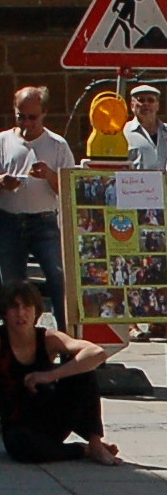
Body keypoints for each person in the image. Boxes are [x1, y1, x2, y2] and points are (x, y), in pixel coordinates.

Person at [1, 281, 121, 465]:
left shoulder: (48, 338)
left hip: (51, 416)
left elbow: (96, 352)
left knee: (81, 368)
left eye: (27, 306)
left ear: (36, 311)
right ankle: (83, 450)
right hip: (18, 424)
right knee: (23, 448)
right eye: (14, 307)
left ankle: (95, 443)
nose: (21, 313)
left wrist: (50, 375)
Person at [0, 86, 74, 326]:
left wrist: (50, 176)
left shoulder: (57, 145)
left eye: (33, 117)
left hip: (44, 222)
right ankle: (14, 342)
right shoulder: (3, 141)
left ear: (44, 114)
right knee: (12, 286)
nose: (26, 123)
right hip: (9, 220)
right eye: (21, 116)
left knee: (59, 278)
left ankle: (65, 337)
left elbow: (69, 189)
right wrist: (2, 182)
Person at [123, 84, 167, 172]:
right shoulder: (124, 133)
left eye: (151, 100)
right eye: (141, 100)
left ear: (157, 106)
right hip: (137, 184)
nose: (146, 104)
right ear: (132, 106)